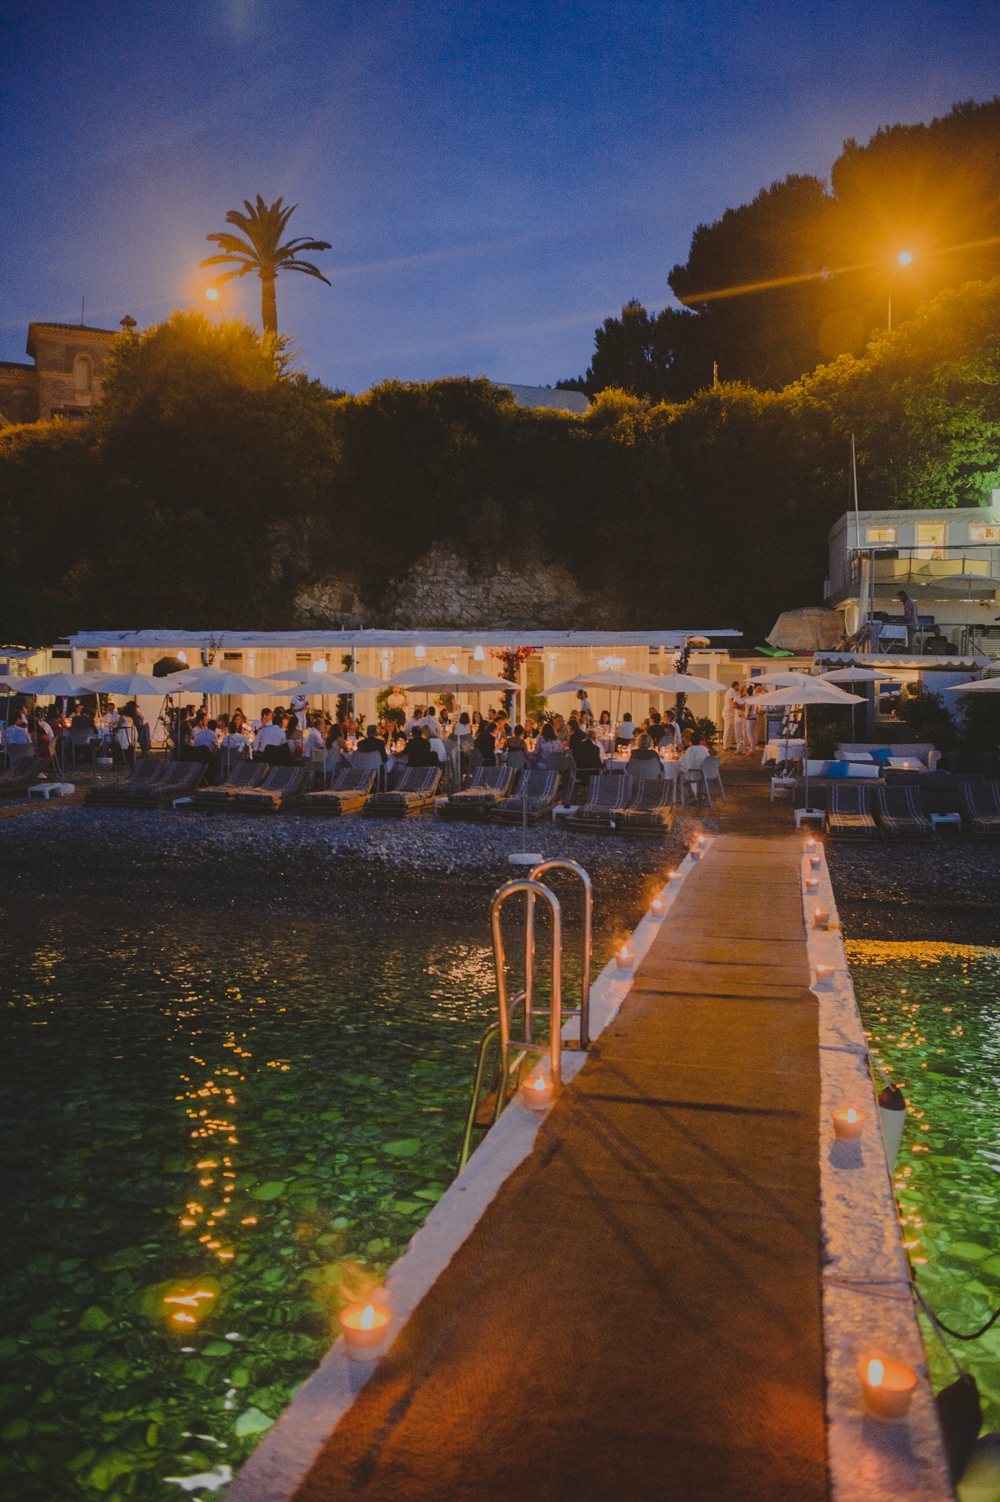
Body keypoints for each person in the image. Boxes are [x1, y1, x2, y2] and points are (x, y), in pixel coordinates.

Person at [722, 680, 740, 751]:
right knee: (728, 729)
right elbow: (732, 703)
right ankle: (725, 746)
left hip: (729, 713)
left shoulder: (730, 691)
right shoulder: (732, 691)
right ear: (736, 686)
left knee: (729, 729)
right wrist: (740, 706)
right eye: (738, 686)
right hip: (728, 713)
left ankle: (728, 744)